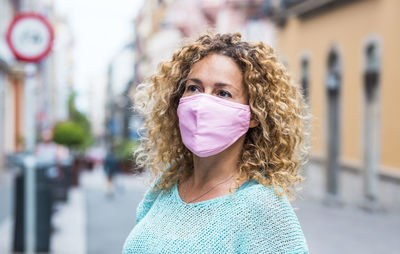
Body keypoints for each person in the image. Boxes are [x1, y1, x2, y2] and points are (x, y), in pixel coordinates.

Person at [123, 32, 310, 253]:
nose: (202, 102)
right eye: (194, 88)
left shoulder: (262, 209)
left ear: (253, 115)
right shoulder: (166, 185)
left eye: (223, 93)